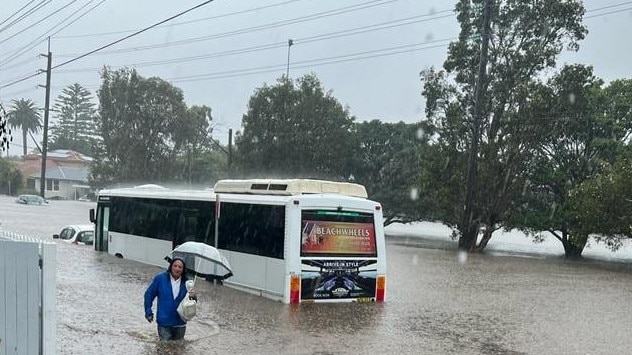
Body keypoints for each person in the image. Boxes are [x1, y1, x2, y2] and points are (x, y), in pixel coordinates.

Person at [144, 257, 197, 341]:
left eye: (180, 267)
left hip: (180, 323)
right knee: (164, 348)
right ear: (171, 266)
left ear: (183, 270)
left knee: (179, 349)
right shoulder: (160, 279)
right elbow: (149, 295)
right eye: (175, 266)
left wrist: (193, 296)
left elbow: (192, 303)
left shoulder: (187, 283)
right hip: (164, 322)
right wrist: (148, 312)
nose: (177, 269)